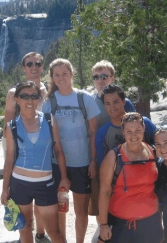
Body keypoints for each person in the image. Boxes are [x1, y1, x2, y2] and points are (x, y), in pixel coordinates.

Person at [0, 81, 70, 243]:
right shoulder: (11, 127)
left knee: (54, 231)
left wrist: (64, 177)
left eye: (34, 96)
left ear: (39, 98)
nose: (29, 101)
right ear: (17, 99)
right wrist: (5, 188)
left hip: (45, 183)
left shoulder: (49, 120)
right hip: (20, 184)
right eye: (24, 96)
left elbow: (58, 150)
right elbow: (10, 159)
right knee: (26, 228)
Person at [42, 58, 100, 243]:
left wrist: (93, 160)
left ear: (72, 74)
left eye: (64, 74)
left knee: (81, 211)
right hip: (57, 164)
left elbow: (93, 133)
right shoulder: (49, 102)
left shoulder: (85, 98)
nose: (61, 78)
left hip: (82, 162)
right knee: (61, 208)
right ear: (52, 77)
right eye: (57, 75)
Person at [89, 84, 156, 238]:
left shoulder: (144, 123)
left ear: (124, 101)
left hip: (148, 194)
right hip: (119, 198)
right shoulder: (102, 133)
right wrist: (103, 223)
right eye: (107, 103)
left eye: (116, 101)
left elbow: (160, 149)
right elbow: (103, 171)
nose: (112, 107)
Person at [2, 52, 50, 243]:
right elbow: (8, 122)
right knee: (25, 196)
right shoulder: (14, 93)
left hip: (43, 151)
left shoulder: (46, 91)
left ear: (42, 66)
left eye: (38, 63)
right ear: (23, 68)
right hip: (21, 151)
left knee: (41, 195)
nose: (34, 67)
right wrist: (9, 156)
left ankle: (40, 231)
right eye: (29, 64)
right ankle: (29, 232)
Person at [98, 112, 163, 243]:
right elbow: (104, 192)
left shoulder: (154, 152)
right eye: (129, 131)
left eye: (137, 130)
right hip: (120, 224)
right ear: (123, 131)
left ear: (144, 128)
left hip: (151, 223)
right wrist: (103, 225)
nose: (134, 135)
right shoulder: (113, 157)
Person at [91, 60, 135, 129]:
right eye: (96, 77)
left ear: (112, 78)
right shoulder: (89, 103)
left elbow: (135, 125)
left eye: (104, 76)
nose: (99, 81)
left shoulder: (125, 103)